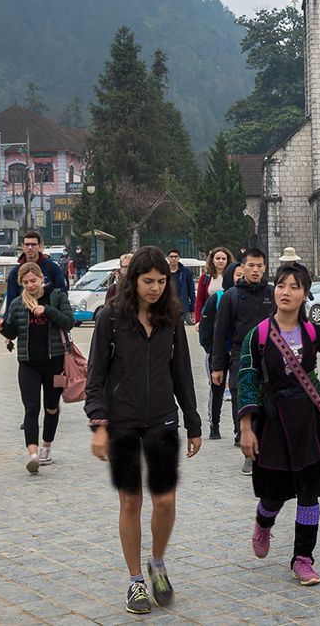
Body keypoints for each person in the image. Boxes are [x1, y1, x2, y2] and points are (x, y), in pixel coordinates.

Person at [85, 246, 202, 615]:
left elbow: (182, 373)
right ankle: (136, 581)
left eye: (161, 281)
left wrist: (195, 422)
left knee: (165, 500)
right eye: (147, 280)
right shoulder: (111, 318)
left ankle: (157, 563)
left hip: (164, 419)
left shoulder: (171, 318)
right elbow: (96, 378)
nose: (154, 287)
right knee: (131, 500)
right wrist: (98, 424)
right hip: (120, 423)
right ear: (132, 279)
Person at [238, 262, 320, 587]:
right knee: (274, 496)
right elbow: (247, 381)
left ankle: (302, 559)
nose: (286, 292)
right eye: (281, 285)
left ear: (305, 294)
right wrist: (247, 428)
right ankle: (263, 524)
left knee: (309, 493)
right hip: (274, 422)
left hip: (309, 421)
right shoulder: (259, 335)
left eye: (294, 287)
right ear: (274, 290)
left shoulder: (311, 331)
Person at [0, 262, 75, 473]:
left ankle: (46, 446)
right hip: (28, 363)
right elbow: (13, 332)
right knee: (31, 408)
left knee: (51, 407)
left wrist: (47, 310)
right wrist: (2, 327)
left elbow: (68, 322)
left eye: (33, 281)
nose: (30, 285)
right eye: (25, 282)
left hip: (54, 362)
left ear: (41, 279)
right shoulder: (19, 303)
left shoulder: (56, 296)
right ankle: (33, 454)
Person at [211, 248, 275, 474]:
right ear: (243, 268)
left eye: (259, 266)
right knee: (245, 405)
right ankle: (249, 455)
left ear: (265, 268)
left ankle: (267, 451)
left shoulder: (272, 292)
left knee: (269, 405)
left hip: (270, 359)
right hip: (241, 358)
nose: (255, 270)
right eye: (251, 266)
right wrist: (217, 367)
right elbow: (220, 333)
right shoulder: (232, 296)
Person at [199, 261, 244, 436]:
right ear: (230, 276)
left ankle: (237, 430)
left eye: (243, 275)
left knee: (236, 389)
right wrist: (210, 349)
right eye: (237, 275)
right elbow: (205, 326)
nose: (241, 278)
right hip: (218, 352)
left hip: (236, 353)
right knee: (216, 390)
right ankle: (214, 425)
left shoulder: (245, 297)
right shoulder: (217, 297)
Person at [3, 231, 67, 319]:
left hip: (49, 319)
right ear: (22, 246)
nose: (30, 248)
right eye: (27, 244)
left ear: (40, 246)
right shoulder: (15, 272)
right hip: (25, 321)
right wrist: (6, 322)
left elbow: (63, 294)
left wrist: (62, 317)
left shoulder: (52, 268)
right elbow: (11, 299)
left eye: (33, 244)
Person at [193, 246, 234, 325]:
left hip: (228, 317)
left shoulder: (233, 277)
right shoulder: (205, 278)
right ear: (212, 260)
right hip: (210, 317)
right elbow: (199, 300)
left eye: (223, 259)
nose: (220, 261)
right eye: (217, 258)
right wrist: (198, 321)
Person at [167, 248, 196, 319]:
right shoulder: (164, 271)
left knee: (180, 327)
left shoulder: (185, 272)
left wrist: (193, 309)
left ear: (179, 258)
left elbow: (191, 291)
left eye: (175, 257)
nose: (173, 259)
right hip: (167, 304)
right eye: (171, 257)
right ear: (167, 258)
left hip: (182, 305)